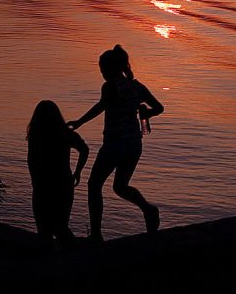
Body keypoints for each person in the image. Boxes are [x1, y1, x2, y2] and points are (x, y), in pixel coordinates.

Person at [68, 45, 165, 242]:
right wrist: (147, 113)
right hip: (134, 144)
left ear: (110, 69)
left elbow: (100, 107)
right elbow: (159, 108)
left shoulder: (110, 86)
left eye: (102, 68)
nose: (101, 72)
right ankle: (148, 209)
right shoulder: (137, 86)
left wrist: (79, 122)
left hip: (115, 144)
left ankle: (96, 235)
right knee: (120, 187)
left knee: (94, 185)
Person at [27, 100, 89, 247]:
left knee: (44, 228)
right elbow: (84, 149)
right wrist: (78, 172)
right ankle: (70, 257)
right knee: (61, 226)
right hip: (63, 183)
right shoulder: (65, 133)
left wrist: (34, 179)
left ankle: (52, 260)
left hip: (42, 184)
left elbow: (31, 160)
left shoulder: (36, 134)